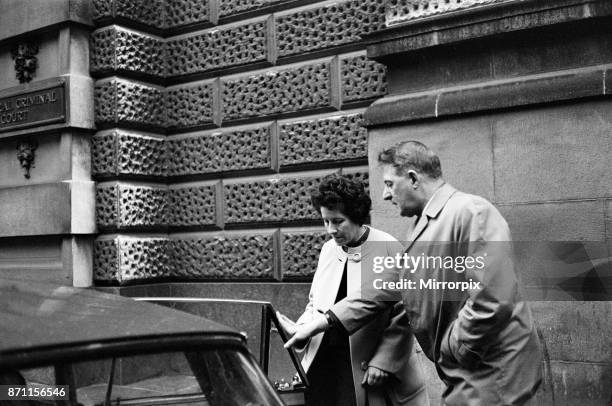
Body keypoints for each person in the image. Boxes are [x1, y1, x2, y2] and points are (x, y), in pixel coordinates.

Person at [283, 142, 543, 406]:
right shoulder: (428, 224)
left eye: (389, 183)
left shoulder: (472, 212)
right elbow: (385, 287)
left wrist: (453, 347)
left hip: (491, 369)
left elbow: (492, 298)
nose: (385, 194)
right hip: (472, 370)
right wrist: (322, 323)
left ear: (412, 179)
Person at [278, 174, 428, 406]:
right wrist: (300, 330)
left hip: (366, 369)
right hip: (325, 363)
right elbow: (315, 303)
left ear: (356, 216)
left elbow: (407, 313)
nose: (330, 229)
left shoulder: (388, 247)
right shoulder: (328, 250)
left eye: (338, 221)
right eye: (325, 221)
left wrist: (383, 361)